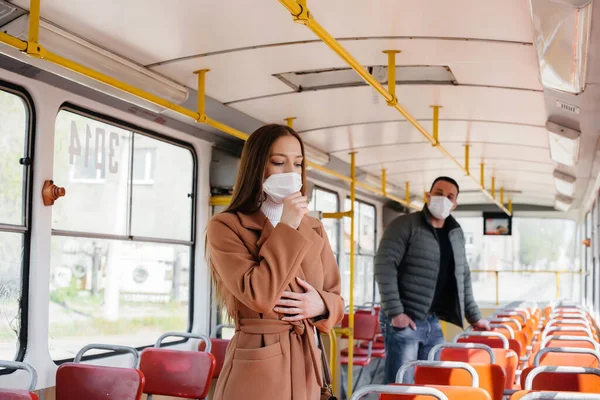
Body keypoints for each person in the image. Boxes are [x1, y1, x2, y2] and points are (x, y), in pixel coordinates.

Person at [206, 124, 344, 400]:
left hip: (307, 360)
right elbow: (259, 295)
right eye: (279, 162)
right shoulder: (226, 226)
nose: (291, 172)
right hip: (260, 363)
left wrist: (320, 305)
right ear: (257, 167)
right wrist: (287, 225)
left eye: (298, 163)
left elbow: (337, 300)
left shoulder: (314, 227)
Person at [375, 176, 489, 384]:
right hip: (404, 319)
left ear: (454, 204)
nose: (443, 199)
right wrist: (396, 313)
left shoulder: (455, 233)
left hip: (432, 321)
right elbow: (384, 266)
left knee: (433, 383)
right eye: (438, 193)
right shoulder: (404, 225)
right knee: (401, 384)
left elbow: (462, 275)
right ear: (428, 195)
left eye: (449, 196)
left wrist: (474, 316)